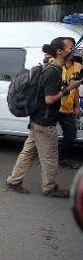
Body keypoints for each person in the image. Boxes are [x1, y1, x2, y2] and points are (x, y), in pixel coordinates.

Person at [6, 37, 81, 197]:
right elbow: (49, 99)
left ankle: (13, 181)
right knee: (51, 157)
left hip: (37, 119)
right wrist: (70, 88)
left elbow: (47, 92)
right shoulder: (53, 71)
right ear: (59, 51)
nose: (73, 50)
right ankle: (50, 187)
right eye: (70, 48)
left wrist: (67, 85)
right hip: (45, 122)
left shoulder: (53, 68)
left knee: (27, 152)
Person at [58, 37, 81, 169]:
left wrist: (76, 106)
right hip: (53, 106)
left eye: (74, 48)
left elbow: (75, 87)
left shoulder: (77, 66)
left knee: (71, 133)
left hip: (67, 108)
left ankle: (62, 158)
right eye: (71, 48)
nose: (74, 51)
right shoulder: (53, 64)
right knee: (40, 134)